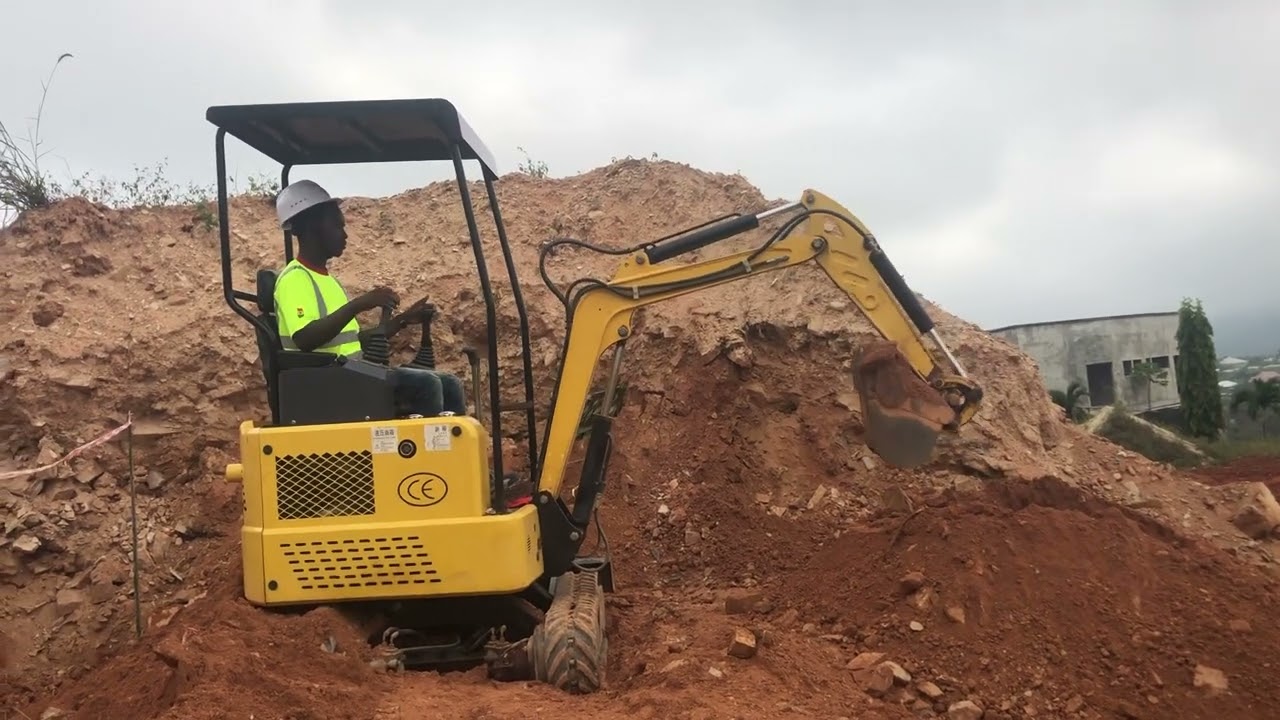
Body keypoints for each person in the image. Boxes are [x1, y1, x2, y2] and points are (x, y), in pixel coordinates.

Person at [271, 179, 467, 417]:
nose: (344, 235)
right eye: (337, 226)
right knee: (427, 385)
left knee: (449, 383)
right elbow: (305, 339)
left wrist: (404, 320)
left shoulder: (327, 280)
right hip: (327, 386)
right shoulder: (295, 279)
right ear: (313, 226)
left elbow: (353, 341)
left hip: (346, 376)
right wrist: (360, 304)